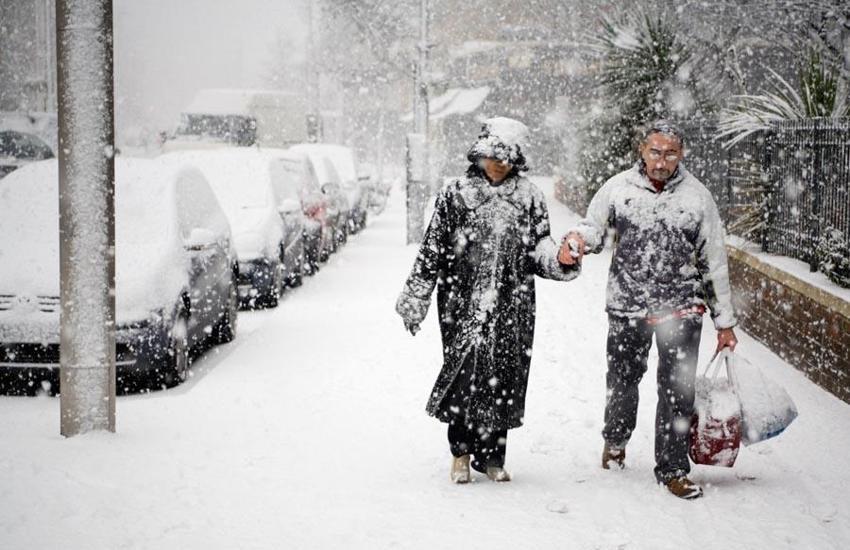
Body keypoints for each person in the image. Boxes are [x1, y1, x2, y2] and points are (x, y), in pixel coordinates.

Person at [560, 119, 738, 500]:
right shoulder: (618, 188)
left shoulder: (698, 198)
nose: (661, 161)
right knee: (622, 381)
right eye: (655, 151)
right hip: (628, 305)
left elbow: (714, 262)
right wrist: (577, 239)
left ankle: (672, 469)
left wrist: (724, 322)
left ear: (681, 154)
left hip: (681, 308)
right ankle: (616, 440)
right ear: (642, 150)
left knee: (678, 391)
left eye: (670, 153)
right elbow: (593, 227)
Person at [397, 117, 581, 483]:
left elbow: (540, 250)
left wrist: (561, 259)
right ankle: (460, 453)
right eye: (493, 156)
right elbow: (431, 250)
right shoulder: (456, 194)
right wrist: (416, 297)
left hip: (513, 304)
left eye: (508, 158)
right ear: (479, 154)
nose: (499, 164)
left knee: (504, 377)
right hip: (460, 302)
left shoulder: (529, 197)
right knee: (464, 376)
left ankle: (493, 456)